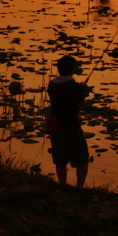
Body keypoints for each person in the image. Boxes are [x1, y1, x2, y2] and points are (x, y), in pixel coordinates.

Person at [47, 54, 90, 187]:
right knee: (82, 159)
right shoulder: (76, 87)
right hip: (72, 125)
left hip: (55, 125)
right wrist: (83, 90)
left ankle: (63, 185)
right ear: (73, 69)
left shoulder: (51, 85)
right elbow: (82, 103)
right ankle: (79, 187)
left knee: (60, 159)